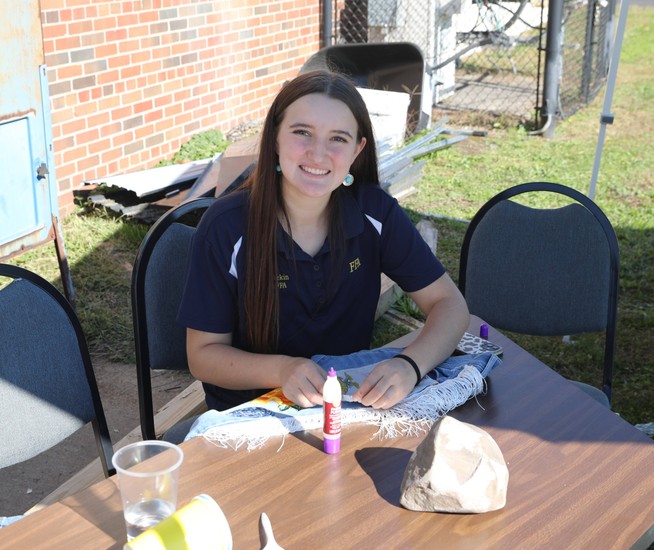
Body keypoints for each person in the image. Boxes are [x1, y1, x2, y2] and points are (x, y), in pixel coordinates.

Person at [176, 69, 469, 415]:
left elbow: (449, 305)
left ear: (357, 150)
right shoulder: (226, 227)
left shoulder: (374, 211)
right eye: (303, 133)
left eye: (338, 139)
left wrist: (411, 365)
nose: (318, 154)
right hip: (247, 415)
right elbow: (203, 355)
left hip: (349, 407)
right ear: (274, 139)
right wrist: (282, 370)